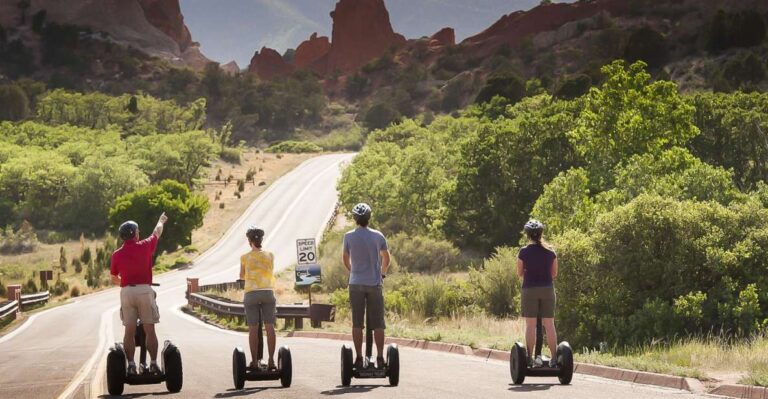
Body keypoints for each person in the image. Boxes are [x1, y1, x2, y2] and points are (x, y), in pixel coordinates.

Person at [110, 213, 168, 375]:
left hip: (127, 292)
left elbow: (114, 278)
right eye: (138, 231)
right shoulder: (144, 246)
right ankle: (154, 364)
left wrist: (126, 283)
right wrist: (160, 220)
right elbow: (157, 231)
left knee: (129, 331)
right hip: (144, 290)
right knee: (149, 329)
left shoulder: (116, 254)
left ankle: (130, 365)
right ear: (135, 234)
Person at [342, 203, 390, 369]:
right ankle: (380, 357)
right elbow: (386, 258)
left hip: (356, 284)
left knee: (357, 322)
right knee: (378, 323)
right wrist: (382, 273)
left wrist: (353, 271)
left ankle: (359, 357)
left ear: (355, 219)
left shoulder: (348, 236)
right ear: (369, 218)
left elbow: (345, 259)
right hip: (374, 284)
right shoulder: (378, 236)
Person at [517, 219, 559, 368]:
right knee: (549, 324)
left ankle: (529, 358)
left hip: (529, 290)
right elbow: (554, 274)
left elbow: (519, 273)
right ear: (541, 233)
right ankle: (554, 359)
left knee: (530, 325)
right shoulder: (551, 252)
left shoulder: (523, 252)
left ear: (527, 235)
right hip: (547, 289)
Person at [239, 226, 278, 370]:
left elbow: (241, 275)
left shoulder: (245, 257)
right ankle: (272, 360)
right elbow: (270, 270)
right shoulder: (270, 255)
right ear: (261, 240)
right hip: (268, 292)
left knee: (253, 329)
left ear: (249, 241)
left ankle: (255, 362)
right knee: (270, 327)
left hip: (251, 294)